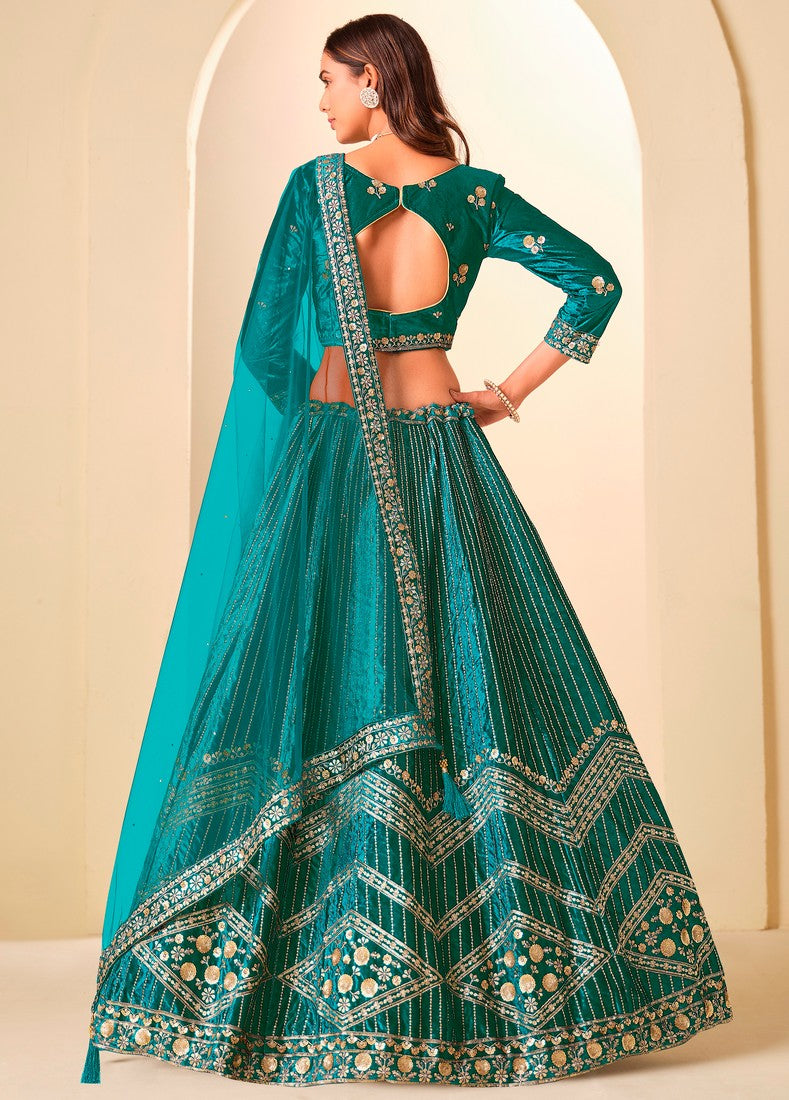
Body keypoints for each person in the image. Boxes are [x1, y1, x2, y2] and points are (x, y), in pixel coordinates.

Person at [80, 13, 732, 1088]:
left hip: (330, 457)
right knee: (484, 682)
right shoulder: (473, 199)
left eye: (329, 81)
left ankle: (285, 987)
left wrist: (304, 431)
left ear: (375, 83)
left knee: (307, 679)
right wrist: (503, 395)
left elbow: (267, 348)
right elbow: (594, 282)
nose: (321, 102)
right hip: (441, 448)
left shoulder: (314, 193)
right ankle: (503, 986)